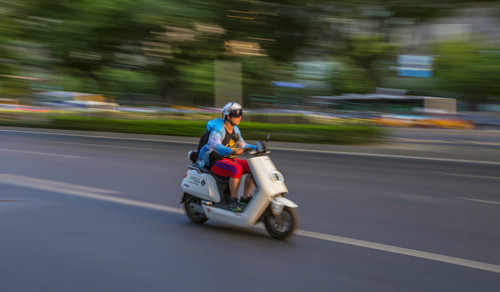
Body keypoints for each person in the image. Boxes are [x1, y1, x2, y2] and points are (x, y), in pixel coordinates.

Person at [197, 102, 256, 212]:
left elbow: (242, 144)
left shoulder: (236, 130)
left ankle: (245, 197)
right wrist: (231, 150)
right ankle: (233, 200)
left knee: (254, 166)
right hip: (216, 162)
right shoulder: (218, 130)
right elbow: (216, 145)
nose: (239, 117)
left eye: (240, 114)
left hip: (230, 159)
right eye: (236, 114)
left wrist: (256, 147)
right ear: (228, 116)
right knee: (236, 169)